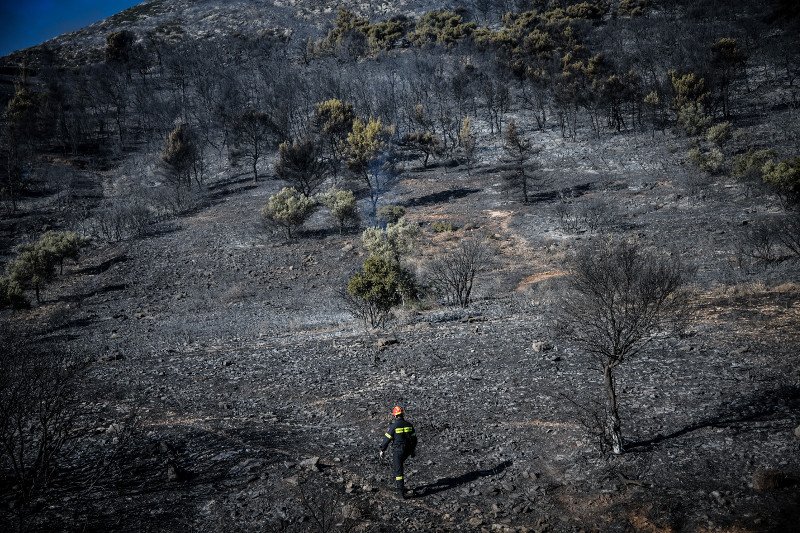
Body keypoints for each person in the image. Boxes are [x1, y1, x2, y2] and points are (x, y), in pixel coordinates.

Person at [379, 405, 417, 499]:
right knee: (399, 467)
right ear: (403, 414)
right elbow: (414, 439)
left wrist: (382, 450)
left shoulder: (394, 426)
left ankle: (401, 493)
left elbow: (386, 439)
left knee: (398, 471)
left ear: (395, 415)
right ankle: (402, 487)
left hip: (398, 450)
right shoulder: (409, 425)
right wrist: (412, 450)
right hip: (407, 450)